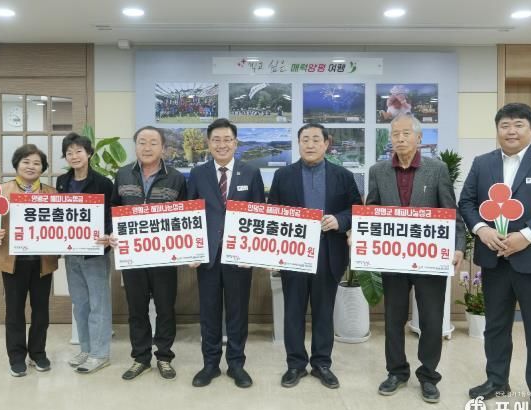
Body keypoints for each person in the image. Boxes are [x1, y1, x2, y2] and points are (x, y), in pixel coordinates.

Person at [459, 103, 531, 410]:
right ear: (497, 130)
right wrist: (482, 230)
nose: (511, 131)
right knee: (496, 326)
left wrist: (525, 236)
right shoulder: (483, 163)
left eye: (519, 124)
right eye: (505, 125)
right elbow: (466, 202)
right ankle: (497, 381)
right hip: (495, 260)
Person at [365, 113, 465, 403]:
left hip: (429, 260)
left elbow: (451, 213)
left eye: (406, 133)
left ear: (419, 138)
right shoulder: (378, 171)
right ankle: (396, 372)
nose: (400, 139)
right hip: (393, 260)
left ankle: (429, 376)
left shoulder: (437, 169)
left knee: (432, 321)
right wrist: (361, 237)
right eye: (395, 134)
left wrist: (458, 246)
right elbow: (371, 211)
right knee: (393, 320)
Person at [268, 123, 362, 389]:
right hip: (294, 255)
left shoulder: (343, 176)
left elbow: (356, 209)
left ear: (326, 143)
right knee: (293, 311)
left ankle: (322, 364)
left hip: (328, 252)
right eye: (305, 140)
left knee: (323, 311)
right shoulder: (283, 176)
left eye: (315, 139)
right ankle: (295, 365)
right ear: (298, 143)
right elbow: (272, 212)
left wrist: (340, 220)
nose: (310, 144)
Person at [187, 118, 265, 388]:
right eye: (216, 140)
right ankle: (210, 364)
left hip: (239, 256)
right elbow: (191, 213)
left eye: (227, 140)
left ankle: (236, 364)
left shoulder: (251, 172)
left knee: (237, 312)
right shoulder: (198, 174)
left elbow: (258, 214)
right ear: (208, 144)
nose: (222, 145)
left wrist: (252, 253)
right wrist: (192, 250)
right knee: (208, 312)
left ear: (236, 143)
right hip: (207, 256)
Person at [111, 126, 187, 381]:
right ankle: (141, 358)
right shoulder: (123, 175)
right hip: (133, 256)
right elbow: (113, 208)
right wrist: (112, 232)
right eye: (142, 142)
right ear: (135, 146)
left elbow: (186, 216)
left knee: (165, 308)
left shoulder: (176, 178)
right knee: (137, 309)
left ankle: (164, 357)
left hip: (164, 257)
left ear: (163, 148)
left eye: (153, 143)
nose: (147, 147)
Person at [0, 144, 58, 377]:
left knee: (41, 311)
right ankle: (16, 357)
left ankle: (38, 353)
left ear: (43, 168)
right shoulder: (1, 190)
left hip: (42, 262)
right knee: (14, 311)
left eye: (37, 163)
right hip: (12, 261)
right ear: (17, 165)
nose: (31, 166)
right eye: (26, 162)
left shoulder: (51, 193)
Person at [56, 133, 114, 374]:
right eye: (69, 152)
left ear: (89, 153)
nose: (74, 156)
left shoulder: (103, 183)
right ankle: (86, 348)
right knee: (80, 303)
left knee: (98, 303)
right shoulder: (62, 181)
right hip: (71, 252)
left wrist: (108, 235)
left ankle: (100, 354)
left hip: (95, 252)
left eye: (79, 151)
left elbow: (111, 214)